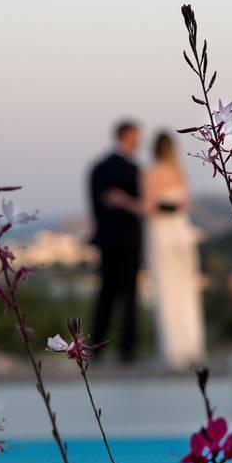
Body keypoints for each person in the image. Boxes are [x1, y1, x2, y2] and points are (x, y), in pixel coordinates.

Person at [106, 132, 206, 370]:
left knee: (166, 290)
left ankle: (173, 350)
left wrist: (121, 200)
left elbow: (148, 207)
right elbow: (183, 206)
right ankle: (192, 347)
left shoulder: (150, 173)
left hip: (161, 235)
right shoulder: (179, 173)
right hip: (181, 234)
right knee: (185, 291)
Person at [89, 120, 142, 363]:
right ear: (126, 136)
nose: (139, 141)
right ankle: (126, 351)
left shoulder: (97, 168)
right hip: (128, 241)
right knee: (129, 297)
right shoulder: (132, 169)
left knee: (106, 295)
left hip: (106, 240)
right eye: (136, 136)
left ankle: (97, 347)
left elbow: (95, 207)